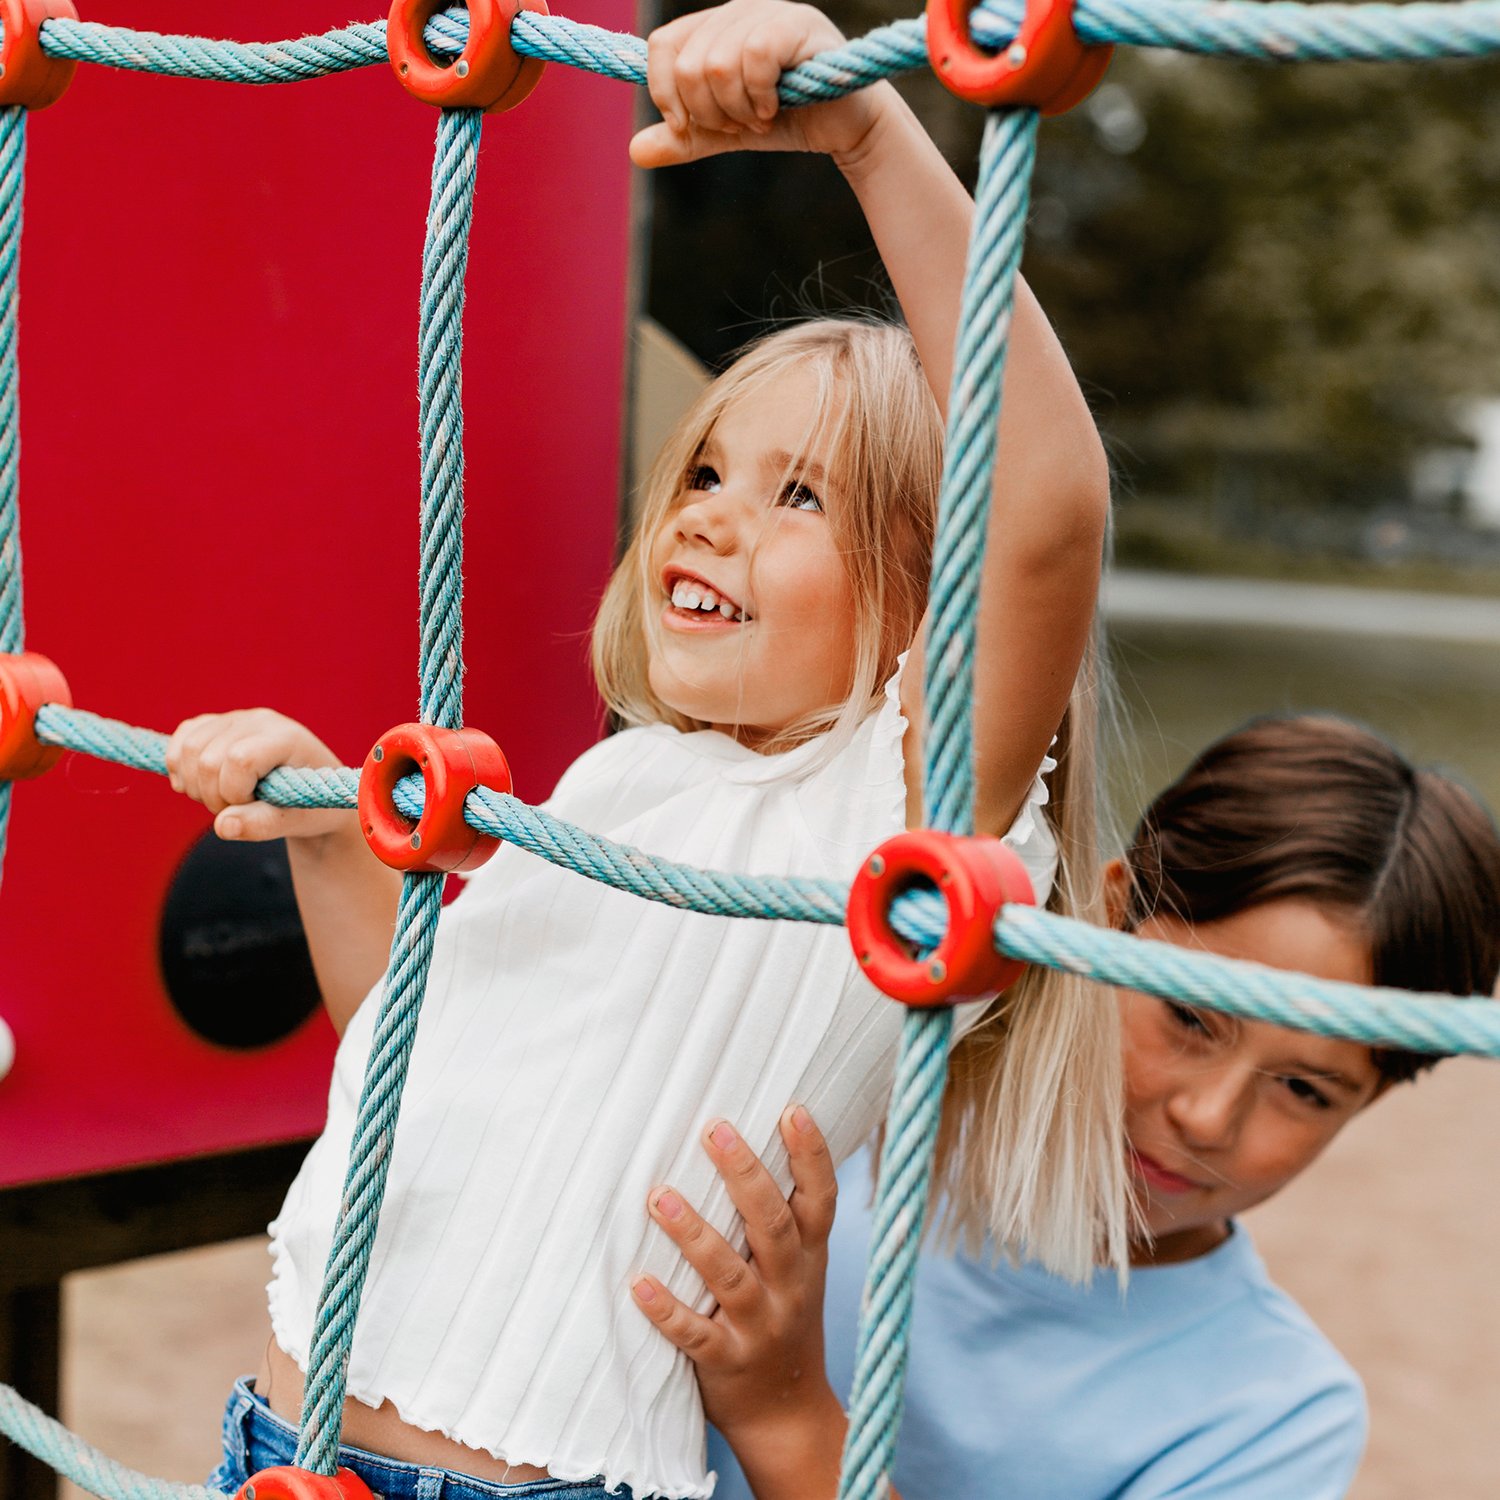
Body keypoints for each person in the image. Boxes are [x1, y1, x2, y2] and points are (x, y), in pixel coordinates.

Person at [170, 4, 1122, 1496]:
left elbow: (1049, 516)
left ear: (924, 613)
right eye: (707, 469)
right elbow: (420, 1064)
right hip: (280, 1449)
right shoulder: (626, 784)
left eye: (804, 498)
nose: (713, 513)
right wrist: (327, 834)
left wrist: (868, 138)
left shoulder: (890, 817)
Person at [632, 714, 1500, 1499]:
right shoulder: (855, 1117)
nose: (1207, 1117)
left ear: (1375, 1096)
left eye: (1304, 1089)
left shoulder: (1272, 1413)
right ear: (1109, 914)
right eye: (1191, 1016)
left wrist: (789, 1420)